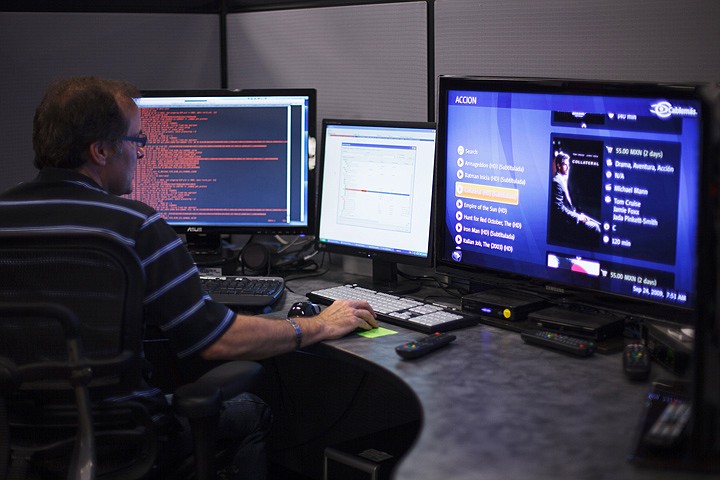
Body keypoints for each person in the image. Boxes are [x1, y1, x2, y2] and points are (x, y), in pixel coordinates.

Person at [0, 76, 378, 479]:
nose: (141, 155)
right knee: (253, 411)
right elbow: (215, 340)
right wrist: (316, 325)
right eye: (136, 142)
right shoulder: (135, 228)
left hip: (15, 438)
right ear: (101, 150)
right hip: (124, 439)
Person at [550, 151, 601, 234]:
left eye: (568, 165)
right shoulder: (557, 182)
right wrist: (578, 217)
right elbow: (559, 209)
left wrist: (579, 215)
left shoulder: (562, 180)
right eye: (565, 165)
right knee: (595, 228)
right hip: (566, 222)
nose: (568, 167)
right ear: (559, 166)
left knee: (596, 224)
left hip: (572, 216)